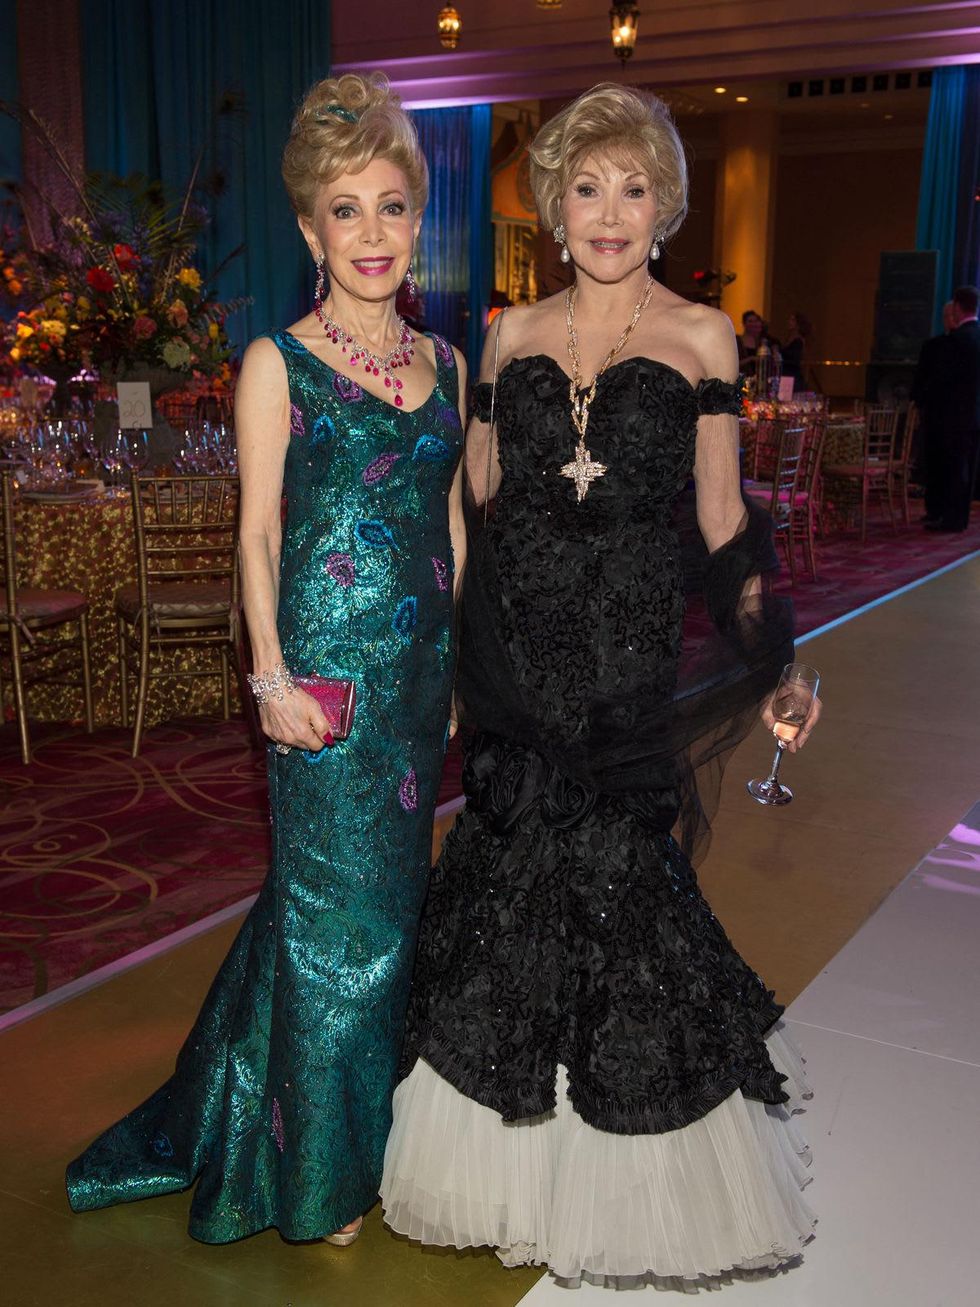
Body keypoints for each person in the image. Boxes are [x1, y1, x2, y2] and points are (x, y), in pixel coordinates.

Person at [381, 83, 820, 1289]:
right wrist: (444, 652)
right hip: (515, 661)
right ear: (554, 203)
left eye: (633, 189)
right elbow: (470, 506)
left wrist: (773, 659)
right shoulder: (508, 336)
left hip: (625, 667)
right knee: (501, 902)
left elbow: (723, 523)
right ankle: (502, 1178)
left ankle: (625, 1184)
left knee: (627, 901)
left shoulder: (701, 339)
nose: (609, 211)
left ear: (662, 208)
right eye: (586, 186)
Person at [66, 72, 465, 1245]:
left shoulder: (443, 361)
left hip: (417, 687)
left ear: (416, 217)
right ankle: (321, 1174)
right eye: (346, 211)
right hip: (322, 691)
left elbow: (449, 525)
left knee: (376, 913)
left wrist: (461, 675)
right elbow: (255, 534)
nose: (373, 233)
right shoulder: (274, 364)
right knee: (335, 922)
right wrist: (270, 684)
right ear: (309, 228)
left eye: (392, 206)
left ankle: (311, 1114)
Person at [913, 286, 980, 532]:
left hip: (952, 417)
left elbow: (942, 381)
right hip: (974, 416)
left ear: (958, 308)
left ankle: (951, 519)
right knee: (966, 471)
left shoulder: (957, 340)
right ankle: (957, 517)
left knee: (952, 470)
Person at [780, 311, 811, 387]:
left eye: (793, 320)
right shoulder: (789, 338)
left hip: (792, 375)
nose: (789, 322)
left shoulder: (798, 341)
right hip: (787, 374)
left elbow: (795, 358)